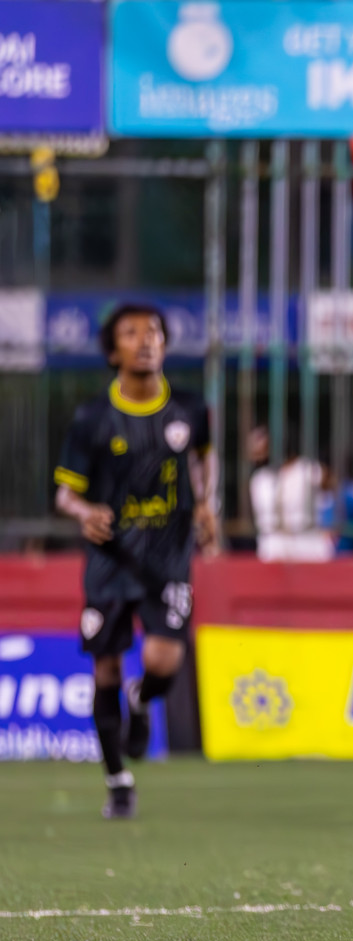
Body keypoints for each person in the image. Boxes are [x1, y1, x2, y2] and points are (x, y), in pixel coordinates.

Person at [53, 304, 218, 819]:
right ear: (112, 351)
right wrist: (83, 512)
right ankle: (118, 782)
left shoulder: (190, 409)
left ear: (166, 345)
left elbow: (204, 457)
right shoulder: (93, 418)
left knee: (164, 662)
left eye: (154, 332)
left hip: (168, 554)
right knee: (103, 666)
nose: (146, 340)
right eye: (132, 333)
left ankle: (143, 699)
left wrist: (208, 501)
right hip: (110, 558)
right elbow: (64, 492)